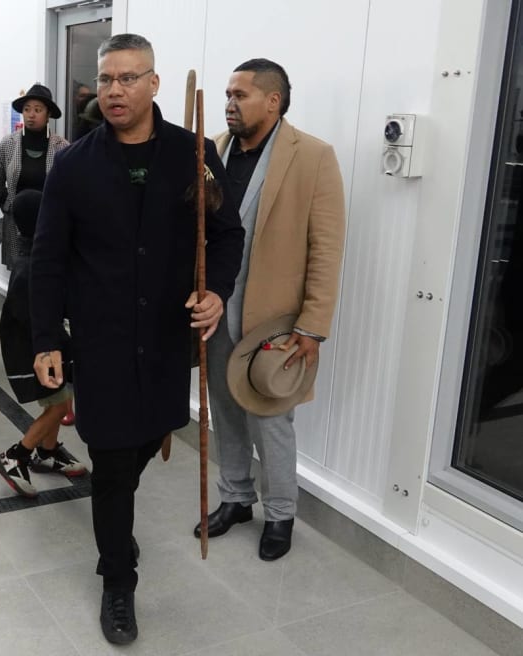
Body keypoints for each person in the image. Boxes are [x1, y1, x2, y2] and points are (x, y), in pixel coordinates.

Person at [30, 33, 244, 644]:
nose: (115, 90)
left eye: (129, 78)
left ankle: (117, 521)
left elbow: (226, 235)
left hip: (168, 336)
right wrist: (47, 338)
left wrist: (217, 291)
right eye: (106, 80)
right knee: (112, 463)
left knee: (155, 432)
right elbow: (47, 258)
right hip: (100, 338)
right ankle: (117, 580)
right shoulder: (74, 164)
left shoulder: (193, 153)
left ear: (154, 84)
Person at [192, 58, 346, 562]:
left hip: (275, 320)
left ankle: (280, 512)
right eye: (228, 95)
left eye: (241, 95)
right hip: (216, 310)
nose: (230, 104)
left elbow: (326, 248)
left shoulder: (313, 157)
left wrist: (312, 327)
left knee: (272, 418)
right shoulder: (212, 148)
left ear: (273, 101)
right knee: (225, 411)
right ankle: (236, 498)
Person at [0, 188, 87, 497]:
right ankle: (16, 454)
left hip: (49, 348)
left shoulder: (40, 256)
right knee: (58, 404)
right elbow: (33, 320)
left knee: (60, 398)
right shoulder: (31, 268)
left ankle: (47, 454)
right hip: (33, 353)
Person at [0, 83, 70, 267]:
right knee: (19, 272)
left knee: (46, 272)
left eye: (38, 109)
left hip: (49, 223)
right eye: (27, 109)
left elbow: (70, 190)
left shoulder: (62, 147)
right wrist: (6, 204)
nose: (31, 114)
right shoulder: (8, 144)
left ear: (48, 114)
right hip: (16, 222)